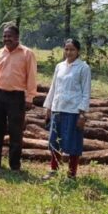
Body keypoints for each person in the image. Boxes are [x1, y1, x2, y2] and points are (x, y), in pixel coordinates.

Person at [0, 25, 37, 170]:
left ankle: (14, 165)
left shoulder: (27, 53)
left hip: (17, 97)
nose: (6, 39)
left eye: (10, 36)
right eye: (5, 36)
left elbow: (31, 77)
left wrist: (30, 98)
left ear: (17, 37)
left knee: (15, 131)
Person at [43, 39, 91, 179]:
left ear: (78, 51)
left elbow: (86, 92)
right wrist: (48, 107)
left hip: (73, 111)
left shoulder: (83, 68)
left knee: (73, 142)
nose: (69, 52)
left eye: (72, 50)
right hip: (58, 108)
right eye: (66, 49)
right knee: (55, 141)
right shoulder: (59, 66)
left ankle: (72, 174)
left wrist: (82, 114)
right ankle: (53, 170)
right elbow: (53, 87)